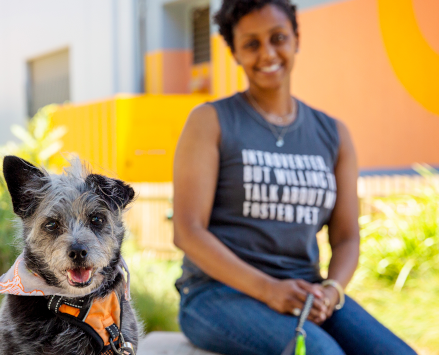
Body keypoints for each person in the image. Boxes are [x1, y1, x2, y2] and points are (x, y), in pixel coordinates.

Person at [172, 1, 417, 354]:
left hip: (306, 291)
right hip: (216, 294)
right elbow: (188, 231)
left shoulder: (333, 134)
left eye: (278, 38)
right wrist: (268, 289)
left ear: (296, 40)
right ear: (235, 52)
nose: (267, 53)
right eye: (251, 44)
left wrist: (332, 290)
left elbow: (347, 238)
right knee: (319, 352)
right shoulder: (210, 121)